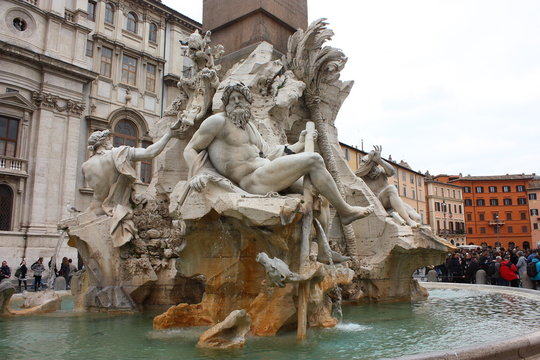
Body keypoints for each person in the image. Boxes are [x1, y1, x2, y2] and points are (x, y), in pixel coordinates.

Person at [183, 82, 374, 225]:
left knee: (320, 197)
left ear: (248, 102)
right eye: (231, 99)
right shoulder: (217, 122)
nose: (236, 102)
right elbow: (190, 148)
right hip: (252, 181)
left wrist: (299, 144)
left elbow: (270, 154)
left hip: (267, 172)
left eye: (240, 98)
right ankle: (346, 211)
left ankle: (324, 255)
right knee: (314, 160)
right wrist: (199, 174)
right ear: (225, 104)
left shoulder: (249, 127)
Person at [82, 127, 177, 247]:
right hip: (118, 213)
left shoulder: (85, 166)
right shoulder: (118, 153)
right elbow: (150, 152)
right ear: (105, 142)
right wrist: (169, 134)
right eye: (109, 140)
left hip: (95, 213)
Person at [355, 145, 421, 227]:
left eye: (373, 167)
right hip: (377, 202)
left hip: (391, 202)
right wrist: (369, 161)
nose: (371, 171)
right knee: (391, 188)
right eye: (369, 168)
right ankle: (408, 221)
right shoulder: (362, 177)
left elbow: (392, 172)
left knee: (417, 217)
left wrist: (380, 161)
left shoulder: (382, 172)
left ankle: (401, 216)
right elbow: (357, 173)